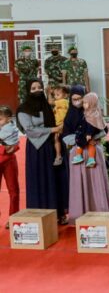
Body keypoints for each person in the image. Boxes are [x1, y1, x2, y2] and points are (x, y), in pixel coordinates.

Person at [17, 79, 69, 225]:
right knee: (39, 179)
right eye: (33, 88)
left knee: (55, 180)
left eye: (39, 87)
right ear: (28, 90)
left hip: (52, 145)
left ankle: (58, 213)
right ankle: (39, 215)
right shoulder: (23, 109)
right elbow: (29, 130)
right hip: (37, 148)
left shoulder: (47, 106)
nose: (37, 90)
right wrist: (52, 130)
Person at [62, 85, 109, 224]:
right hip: (77, 153)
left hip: (93, 153)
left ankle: (100, 214)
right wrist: (80, 141)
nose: (77, 102)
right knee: (79, 185)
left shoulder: (93, 111)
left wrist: (93, 138)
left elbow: (103, 130)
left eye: (80, 98)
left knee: (96, 183)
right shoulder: (69, 116)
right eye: (74, 99)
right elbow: (65, 135)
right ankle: (79, 216)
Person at [71, 92, 105, 168]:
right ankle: (91, 159)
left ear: (92, 103)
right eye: (84, 103)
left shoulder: (92, 114)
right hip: (89, 133)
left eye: (86, 103)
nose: (84, 105)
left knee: (79, 141)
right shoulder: (92, 112)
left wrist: (89, 134)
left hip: (88, 133)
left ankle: (79, 156)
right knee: (91, 144)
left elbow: (91, 125)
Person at [0, 106, 20, 228]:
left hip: (9, 162)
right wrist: (5, 149)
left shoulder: (12, 128)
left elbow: (16, 145)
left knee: (14, 191)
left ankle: (13, 218)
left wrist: (12, 148)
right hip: (4, 157)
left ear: (8, 118)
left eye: (0, 118)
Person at [51, 84, 69, 166]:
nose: (55, 96)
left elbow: (50, 102)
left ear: (65, 95)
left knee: (59, 139)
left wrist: (48, 93)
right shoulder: (59, 103)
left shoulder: (63, 101)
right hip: (57, 125)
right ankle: (58, 155)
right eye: (54, 95)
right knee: (56, 138)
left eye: (58, 95)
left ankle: (59, 155)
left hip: (62, 124)